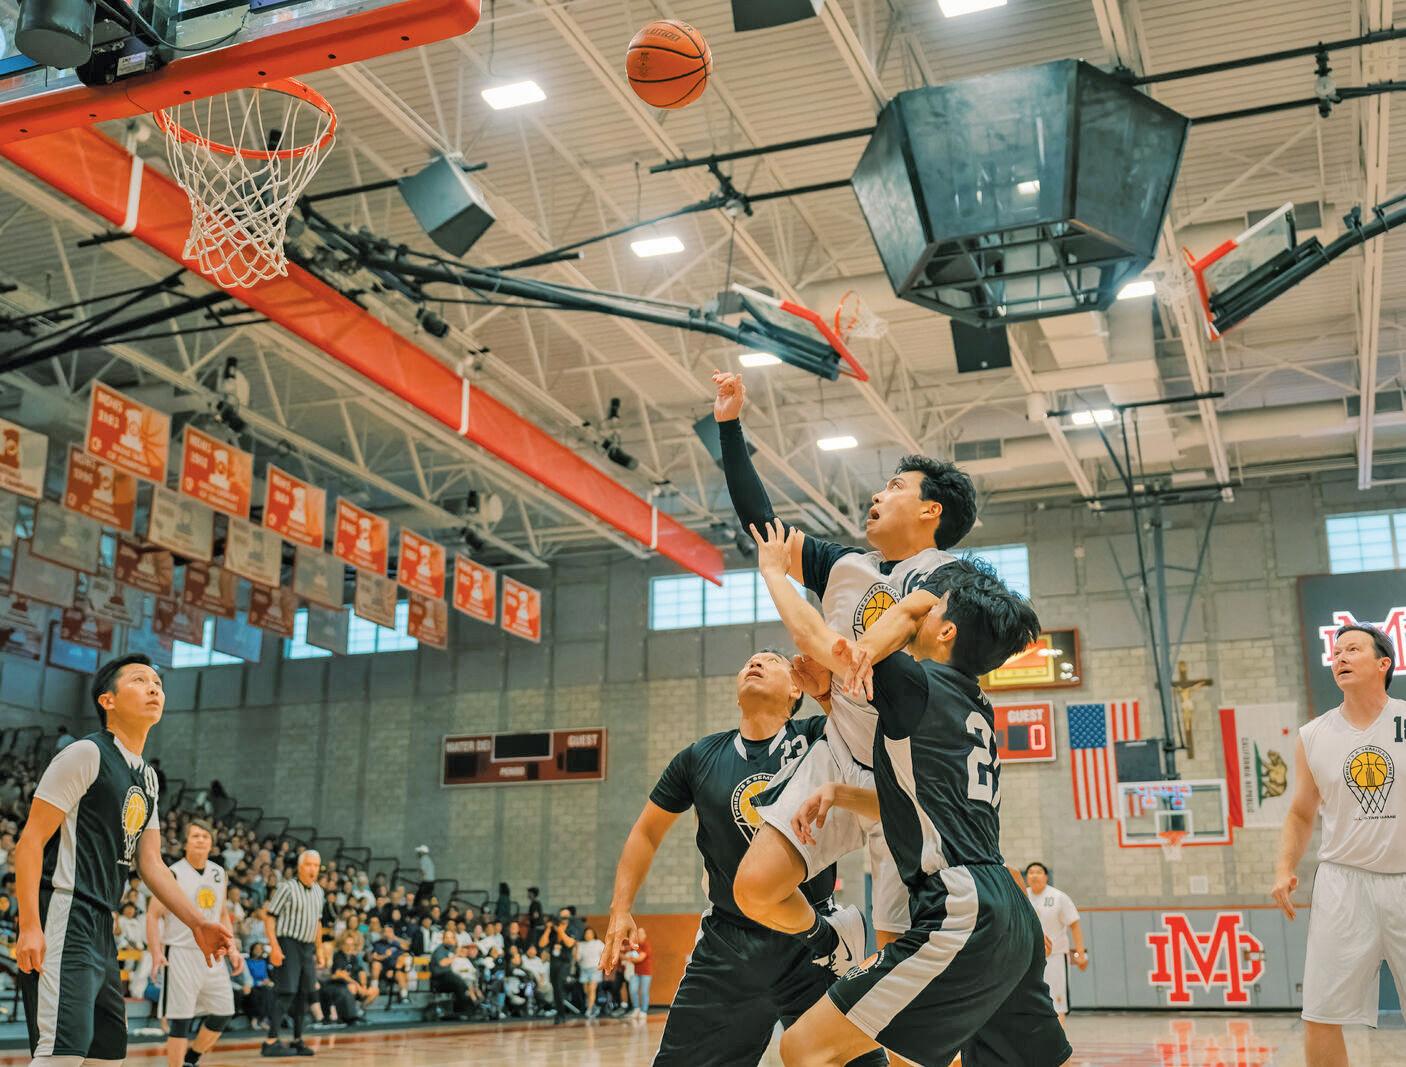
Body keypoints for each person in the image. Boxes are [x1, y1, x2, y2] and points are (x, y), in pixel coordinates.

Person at [755, 526, 1068, 1067]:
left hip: (960, 907)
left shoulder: (918, 684)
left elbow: (815, 638)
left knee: (804, 1047)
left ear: (945, 631)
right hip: (1008, 910)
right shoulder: (974, 706)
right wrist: (840, 792)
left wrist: (773, 572)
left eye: (930, 606)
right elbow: (916, 801)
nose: (916, 607)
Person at [711, 371, 976, 967]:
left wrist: (852, 658)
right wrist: (729, 426)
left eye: (895, 486)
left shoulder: (949, 577)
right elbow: (763, 527)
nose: (877, 495)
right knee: (753, 889)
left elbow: (895, 637)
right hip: (839, 751)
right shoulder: (843, 565)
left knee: (901, 956)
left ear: (931, 509)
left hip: (908, 778)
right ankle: (832, 939)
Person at [605, 648, 885, 1065]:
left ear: (794, 690)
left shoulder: (817, 737)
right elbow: (646, 832)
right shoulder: (698, 757)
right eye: (750, 661)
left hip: (814, 942)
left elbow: (867, 740)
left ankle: (831, 944)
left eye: (771, 661)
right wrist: (620, 908)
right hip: (730, 940)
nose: (755, 663)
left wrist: (828, 695)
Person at [12, 654, 233, 1067]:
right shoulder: (85, 753)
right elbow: (29, 843)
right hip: (64, 912)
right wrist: (29, 926)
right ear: (108, 700)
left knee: (107, 1056)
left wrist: (197, 922)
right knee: (60, 1054)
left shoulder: (147, 777)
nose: (153, 688)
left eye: (157, 684)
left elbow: (151, 864)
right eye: (139, 680)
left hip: (102, 925)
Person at [1272, 623, 1406, 1067]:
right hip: (1343, 885)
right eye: (1337, 652)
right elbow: (1300, 813)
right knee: (1320, 1014)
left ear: (1383, 663)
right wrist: (1284, 867)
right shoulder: (1313, 735)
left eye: (1352, 649)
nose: (1341, 657)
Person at [149, 818, 242, 1067]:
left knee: (224, 1012)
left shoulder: (219, 873)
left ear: (212, 843)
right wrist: (156, 952)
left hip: (211, 953)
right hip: (180, 952)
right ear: (185, 843)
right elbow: (153, 914)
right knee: (180, 1020)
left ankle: (191, 1059)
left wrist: (232, 947)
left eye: (205, 836)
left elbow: (222, 914)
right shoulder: (173, 873)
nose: (201, 840)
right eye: (195, 836)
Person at [261, 849, 325, 1058]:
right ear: (300, 866)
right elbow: (270, 917)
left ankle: (297, 1040)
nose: (313, 869)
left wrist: (320, 949)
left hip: (308, 946)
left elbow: (317, 923)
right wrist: (274, 946)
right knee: (287, 991)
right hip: (288, 943)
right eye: (309, 864)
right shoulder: (286, 888)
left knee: (304, 993)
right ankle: (270, 1040)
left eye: (316, 865)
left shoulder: (319, 891)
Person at [1023, 862, 1086, 1025]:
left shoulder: (1059, 897)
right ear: (1026, 877)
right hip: (1029, 958)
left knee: (1057, 1004)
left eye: (1038, 872)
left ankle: (1058, 1036)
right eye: (1031, 872)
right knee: (1030, 1002)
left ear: (1046, 877)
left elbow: (1074, 924)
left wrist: (1080, 954)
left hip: (1055, 957)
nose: (1034, 875)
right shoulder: (1022, 897)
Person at [539, 909, 576, 1025]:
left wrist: (560, 931)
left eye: (565, 917)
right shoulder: (553, 931)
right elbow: (542, 944)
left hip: (564, 964)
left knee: (559, 987)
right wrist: (548, 929)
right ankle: (560, 1014)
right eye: (561, 917)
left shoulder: (571, 929)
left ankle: (561, 1015)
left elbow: (570, 943)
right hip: (554, 963)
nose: (563, 919)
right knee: (555, 989)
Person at [430, 928, 473, 1017]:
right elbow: (442, 963)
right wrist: (456, 955)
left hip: (449, 976)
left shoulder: (451, 949)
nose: (449, 940)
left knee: (465, 983)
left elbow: (463, 954)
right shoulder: (440, 950)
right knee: (460, 984)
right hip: (439, 978)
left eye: (451, 938)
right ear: (443, 939)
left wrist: (459, 951)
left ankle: (466, 1009)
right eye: (447, 937)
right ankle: (461, 1011)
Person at [576, 927, 605, 1018]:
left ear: (593, 934)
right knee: (586, 991)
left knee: (592, 989)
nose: (588, 935)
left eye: (590, 933)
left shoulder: (598, 943)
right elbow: (578, 958)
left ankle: (589, 1010)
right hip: (584, 969)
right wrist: (576, 947)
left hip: (595, 969)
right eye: (586, 933)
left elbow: (605, 954)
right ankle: (593, 1006)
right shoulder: (581, 944)